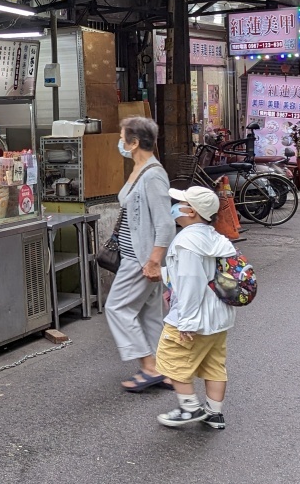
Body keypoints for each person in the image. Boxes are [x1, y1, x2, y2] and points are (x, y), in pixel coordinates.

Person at [105, 116, 176, 392]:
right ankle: (167, 372)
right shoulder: (139, 169)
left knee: (117, 308)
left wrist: (154, 261)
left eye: (123, 138)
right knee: (149, 314)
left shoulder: (153, 175)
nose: (120, 143)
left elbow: (165, 223)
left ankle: (149, 366)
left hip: (142, 257)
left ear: (134, 143)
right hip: (139, 254)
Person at [155, 186, 236, 429]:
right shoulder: (214, 237)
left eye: (179, 202)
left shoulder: (187, 241)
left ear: (190, 211)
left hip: (194, 317)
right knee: (214, 364)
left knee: (171, 358)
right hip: (219, 316)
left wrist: (186, 322)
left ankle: (190, 408)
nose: (174, 207)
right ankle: (214, 413)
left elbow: (190, 282)